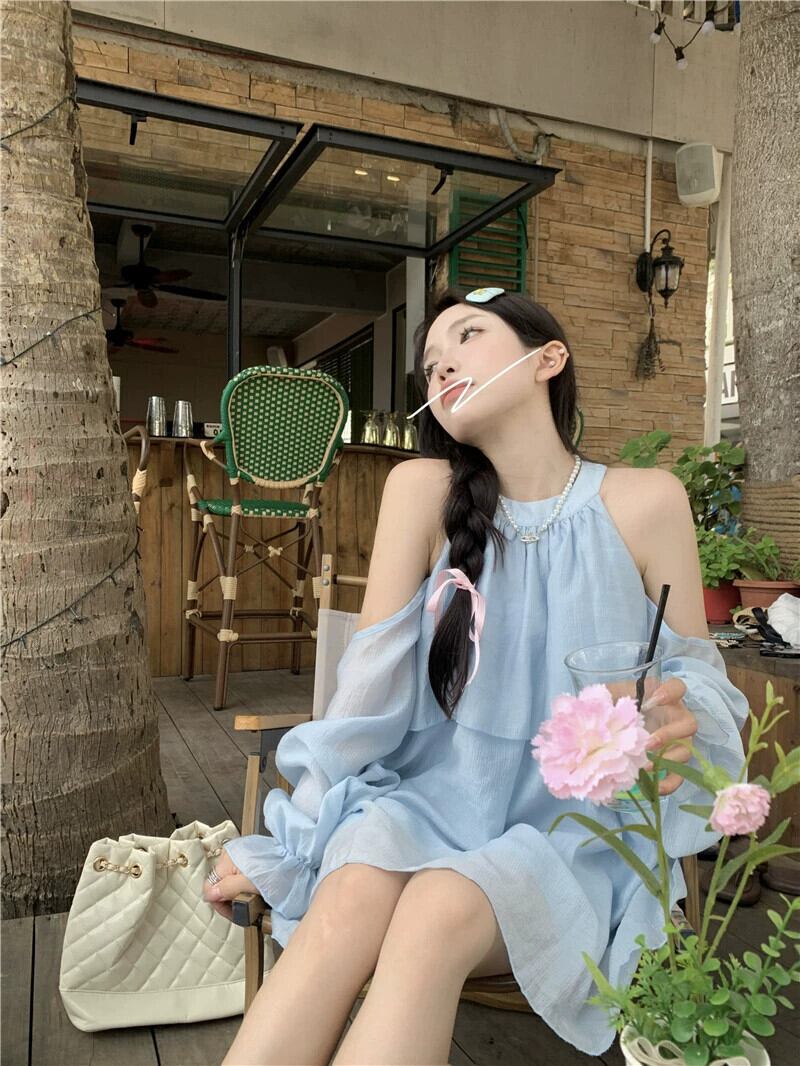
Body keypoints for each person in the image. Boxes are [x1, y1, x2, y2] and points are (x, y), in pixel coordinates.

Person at [204, 287, 748, 1066]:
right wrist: (289, 846)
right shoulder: (420, 491)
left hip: (580, 834)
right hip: (425, 801)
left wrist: (679, 717)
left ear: (548, 359)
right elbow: (365, 698)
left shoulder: (648, 501)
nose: (441, 366)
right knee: (348, 895)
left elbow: (697, 677)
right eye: (429, 364)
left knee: (435, 912)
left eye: (467, 335)